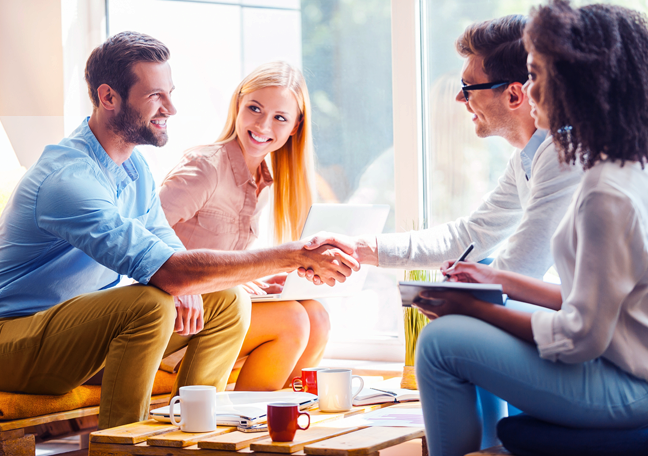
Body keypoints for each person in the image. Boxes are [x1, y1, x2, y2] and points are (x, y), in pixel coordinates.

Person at [0, 32, 358, 430]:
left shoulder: (133, 170)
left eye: (170, 93)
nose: (171, 108)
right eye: (156, 96)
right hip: (16, 341)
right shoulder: (69, 179)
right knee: (148, 304)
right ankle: (124, 444)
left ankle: (198, 432)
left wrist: (191, 284)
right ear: (108, 97)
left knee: (227, 301)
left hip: (79, 334)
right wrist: (293, 254)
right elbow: (167, 271)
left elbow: (164, 242)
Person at [411, 2, 648, 455]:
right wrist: (494, 280)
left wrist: (474, 307)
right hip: (628, 368)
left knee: (441, 342)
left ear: (576, 83)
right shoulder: (621, 168)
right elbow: (599, 301)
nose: (529, 88)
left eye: (536, 75)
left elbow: (580, 337)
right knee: (459, 327)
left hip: (627, 387)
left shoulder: (605, 194)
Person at [157, 61, 329, 391]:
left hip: (219, 307)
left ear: (294, 127)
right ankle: (244, 427)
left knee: (316, 317)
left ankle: (282, 426)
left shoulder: (262, 182)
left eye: (280, 117)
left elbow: (219, 260)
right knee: (291, 320)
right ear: (238, 104)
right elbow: (143, 235)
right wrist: (187, 286)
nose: (263, 125)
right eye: (254, 108)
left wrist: (254, 278)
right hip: (177, 315)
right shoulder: (205, 169)